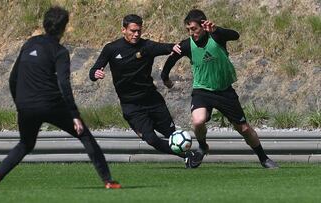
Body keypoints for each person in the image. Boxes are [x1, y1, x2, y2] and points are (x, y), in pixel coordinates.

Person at [0, 6, 121, 190]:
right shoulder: (60, 52)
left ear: (44, 24)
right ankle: (108, 181)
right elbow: (64, 85)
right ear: (64, 28)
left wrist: (19, 104)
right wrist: (74, 115)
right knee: (85, 136)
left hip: (25, 106)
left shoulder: (29, 44)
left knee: (25, 144)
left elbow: (13, 78)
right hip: (50, 104)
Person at [161, 9, 278, 169]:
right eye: (188, 30)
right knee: (198, 121)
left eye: (194, 29)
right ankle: (202, 147)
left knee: (243, 128)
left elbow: (235, 35)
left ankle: (263, 158)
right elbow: (171, 59)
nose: (191, 33)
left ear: (203, 25)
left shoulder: (216, 36)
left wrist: (218, 30)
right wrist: (165, 77)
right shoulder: (187, 44)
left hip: (224, 91)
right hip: (202, 90)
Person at [89, 14, 202, 168]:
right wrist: (95, 74)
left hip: (153, 100)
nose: (136, 34)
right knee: (151, 139)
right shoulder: (111, 49)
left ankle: (190, 155)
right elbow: (94, 70)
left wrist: (174, 47)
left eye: (139, 31)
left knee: (172, 135)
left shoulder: (147, 47)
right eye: (133, 31)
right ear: (123, 30)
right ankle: (187, 155)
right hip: (131, 105)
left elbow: (166, 47)